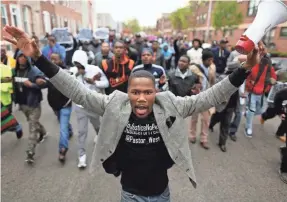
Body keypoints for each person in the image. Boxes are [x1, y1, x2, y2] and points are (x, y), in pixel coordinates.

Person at [3, 24, 261, 202]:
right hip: (129, 194)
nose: (141, 98)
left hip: (161, 194)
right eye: (135, 92)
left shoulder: (170, 103)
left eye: (147, 92)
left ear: (155, 92)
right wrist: (38, 59)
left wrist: (244, 70)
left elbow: (211, 96)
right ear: (127, 92)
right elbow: (77, 90)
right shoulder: (115, 103)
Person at [70, 50, 109, 168]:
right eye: (76, 64)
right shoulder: (73, 71)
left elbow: (106, 83)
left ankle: (102, 141)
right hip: (80, 107)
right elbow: (67, 82)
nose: (78, 66)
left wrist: (95, 82)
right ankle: (82, 157)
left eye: (80, 64)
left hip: (93, 105)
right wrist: (76, 75)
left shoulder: (95, 69)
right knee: (82, 132)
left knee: (98, 126)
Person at [13, 50, 47, 163]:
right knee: (34, 122)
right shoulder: (14, 71)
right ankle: (42, 132)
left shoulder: (34, 71)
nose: (22, 58)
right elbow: (8, 80)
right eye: (20, 57)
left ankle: (30, 152)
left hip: (34, 104)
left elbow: (44, 83)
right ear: (17, 59)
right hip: (22, 105)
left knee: (32, 127)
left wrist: (32, 84)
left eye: (24, 56)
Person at [47, 53, 74, 162]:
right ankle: (70, 130)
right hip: (54, 105)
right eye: (51, 59)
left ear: (60, 60)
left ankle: (62, 149)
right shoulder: (47, 71)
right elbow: (42, 83)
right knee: (64, 124)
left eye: (55, 59)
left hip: (65, 105)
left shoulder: (67, 72)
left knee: (62, 128)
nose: (53, 61)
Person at [189, 50, 216, 149]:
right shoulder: (194, 69)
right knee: (194, 118)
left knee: (206, 120)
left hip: (207, 98)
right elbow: (189, 82)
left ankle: (204, 139)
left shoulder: (212, 69)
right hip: (196, 98)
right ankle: (192, 136)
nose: (211, 62)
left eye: (212, 60)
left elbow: (213, 83)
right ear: (204, 60)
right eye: (209, 60)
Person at [209, 64, 240, 152]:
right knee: (216, 118)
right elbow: (216, 90)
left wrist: (237, 106)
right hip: (222, 105)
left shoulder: (240, 79)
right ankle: (211, 125)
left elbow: (238, 94)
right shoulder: (222, 78)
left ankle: (222, 143)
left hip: (231, 106)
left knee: (226, 124)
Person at [245, 54, 277, 137]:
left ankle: (248, 114)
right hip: (253, 92)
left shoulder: (270, 69)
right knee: (252, 110)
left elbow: (273, 79)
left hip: (262, 93)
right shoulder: (254, 66)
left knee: (261, 110)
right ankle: (248, 128)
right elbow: (247, 79)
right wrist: (250, 87)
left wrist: (271, 82)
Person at [1, 63, 23, 138]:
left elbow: (8, 84)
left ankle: (16, 127)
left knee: (6, 121)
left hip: (4, 100)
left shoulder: (5, 68)